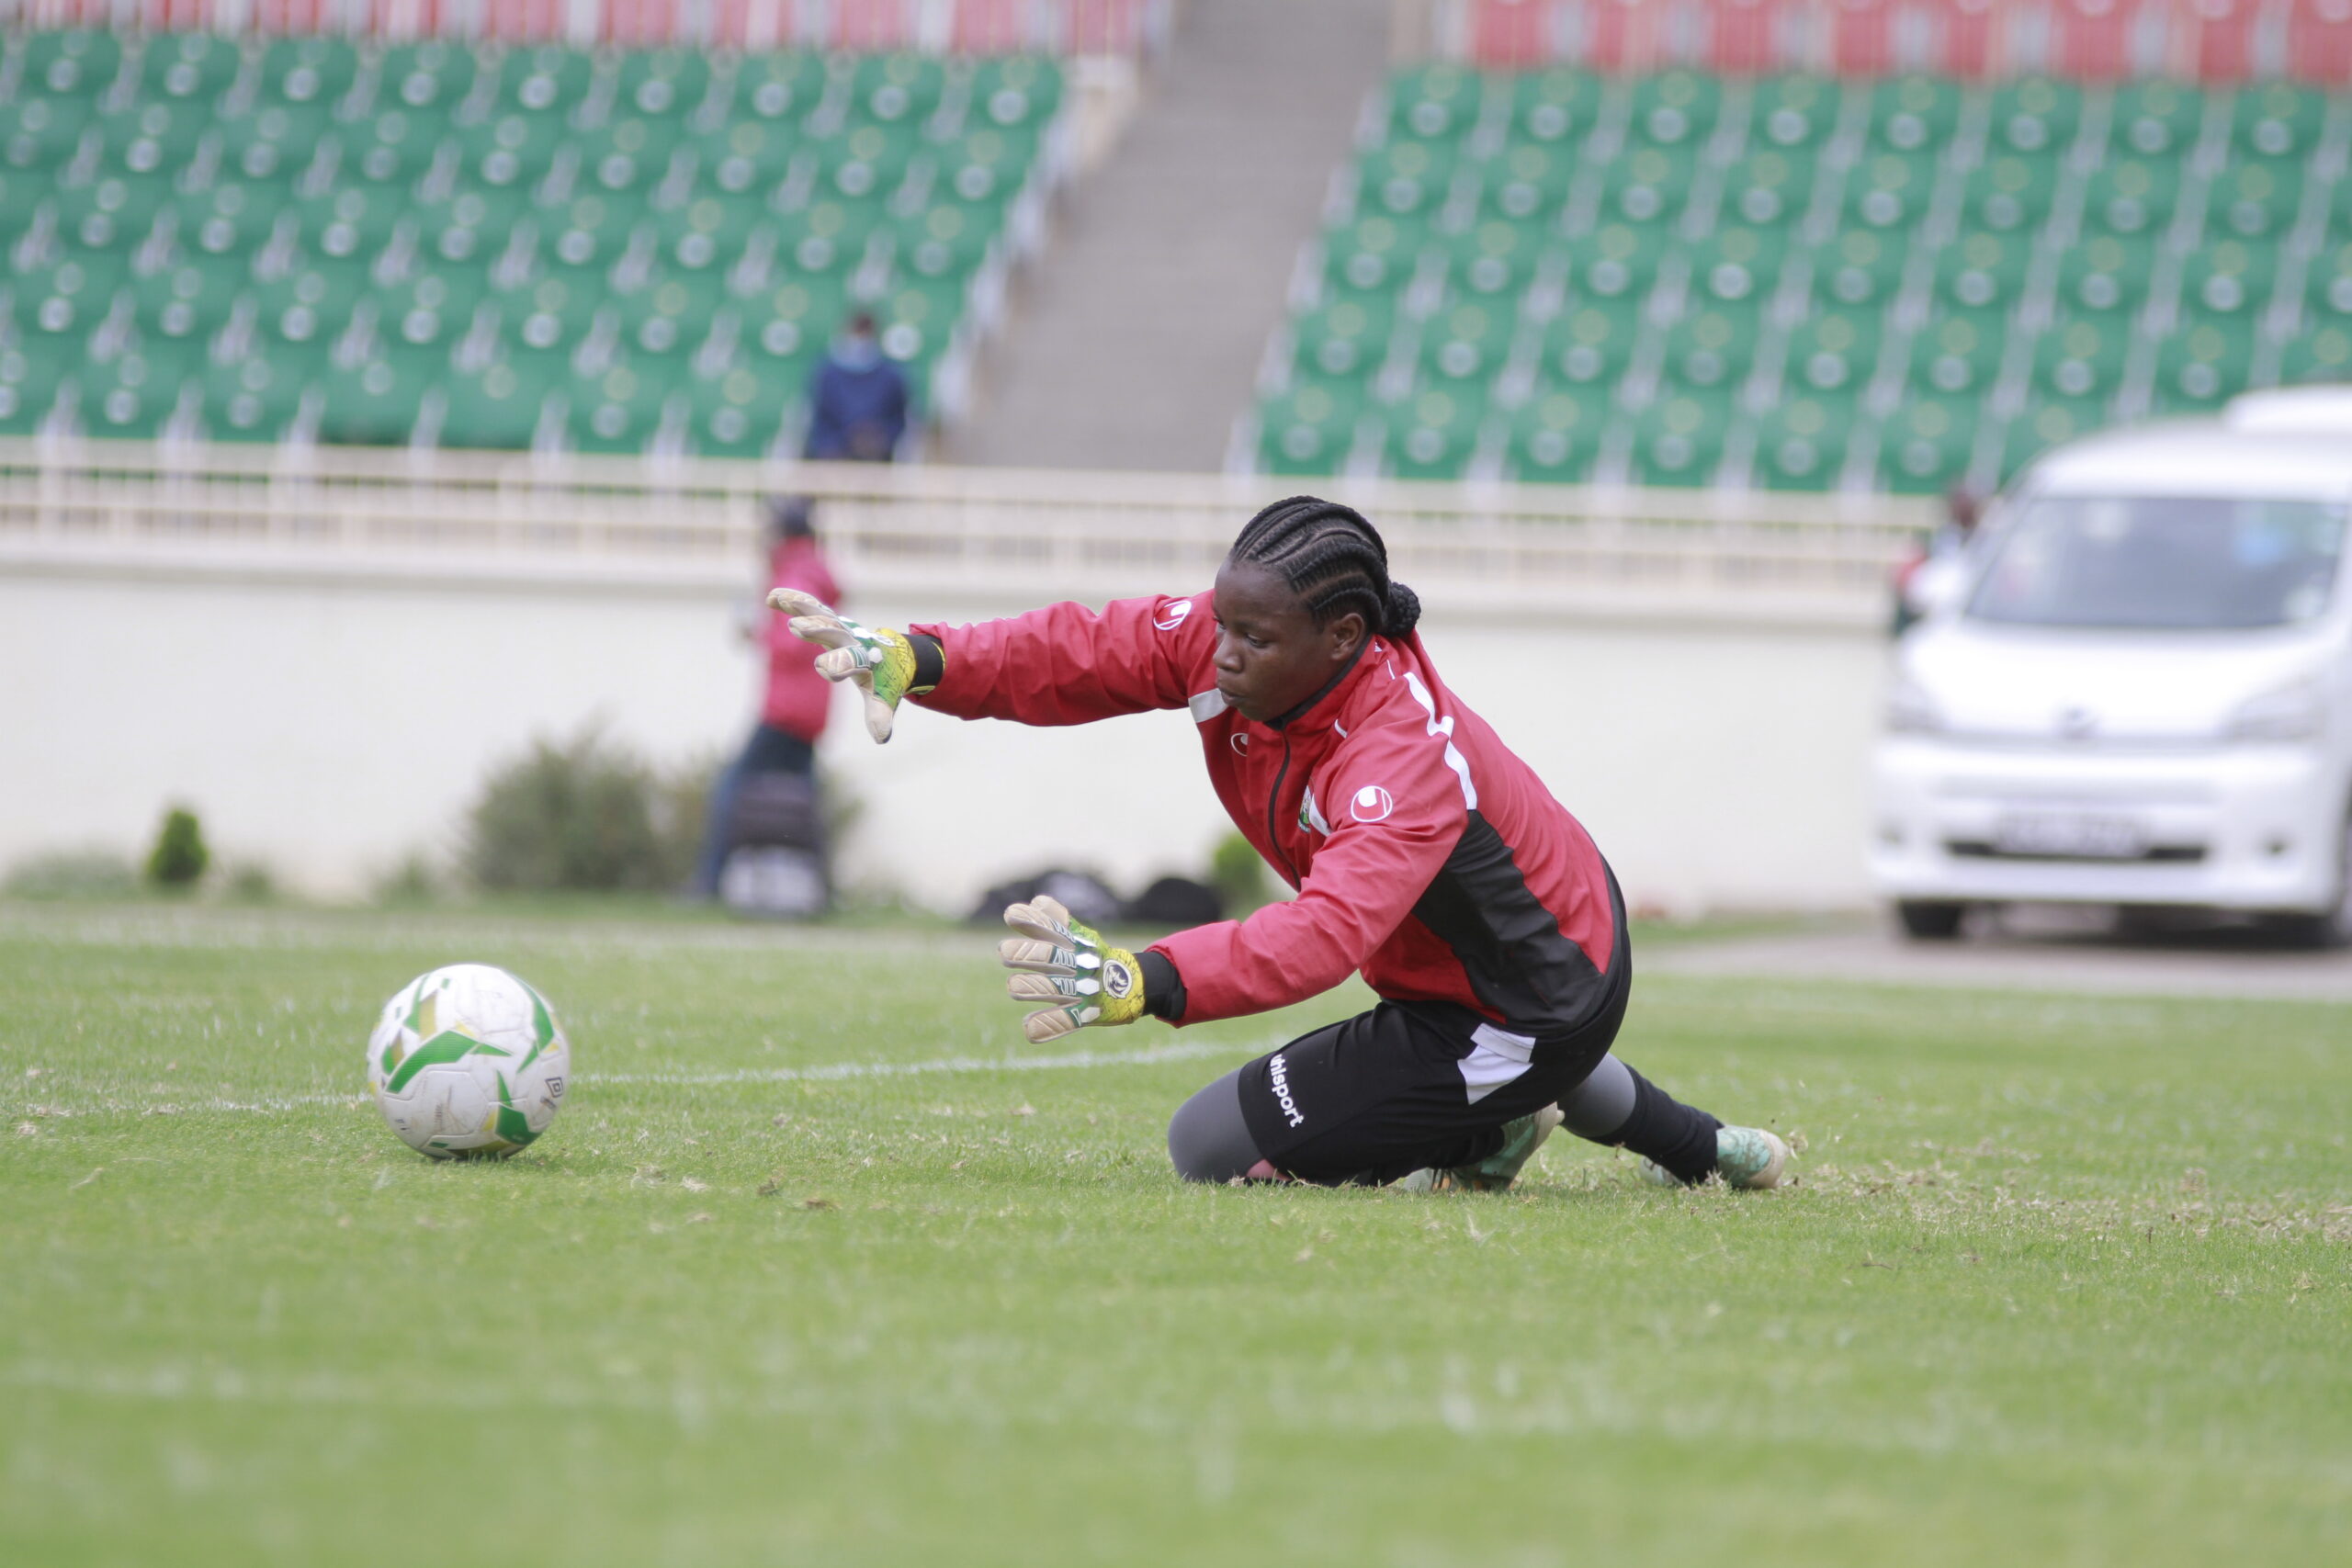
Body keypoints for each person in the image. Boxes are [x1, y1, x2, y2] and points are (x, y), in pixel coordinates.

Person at [771, 497, 1789, 1192]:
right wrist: (923, 655)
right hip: (1518, 952)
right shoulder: (1240, 635)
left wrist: (1147, 978)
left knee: (1206, 1148)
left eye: (1251, 639)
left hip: (1535, 992)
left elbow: (1323, 935)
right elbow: (1077, 652)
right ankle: (1696, 1149)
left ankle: (1487, 1120)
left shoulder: (1400, 756)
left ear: (1341, 638)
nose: (1217, 651)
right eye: (1221, 621)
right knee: (1495, 1051)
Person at [693, 497, 840, 899]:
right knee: (806, 801)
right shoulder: (815, 571)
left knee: (731, 788)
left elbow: (797, 639)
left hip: (786, 709)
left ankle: (709, 882)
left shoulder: (795, 576)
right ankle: (824, 891)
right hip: (811, 708)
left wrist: (760, 634)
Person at [804, 312, 911, 461]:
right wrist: (835, 445)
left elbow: (898, 420)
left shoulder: (891, 376)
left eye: (866, 333)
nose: (861, 339)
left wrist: (878, 440)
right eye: (857, 332)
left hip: (878, 458)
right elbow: (820, 420)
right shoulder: (827, 374)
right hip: (834, 456)